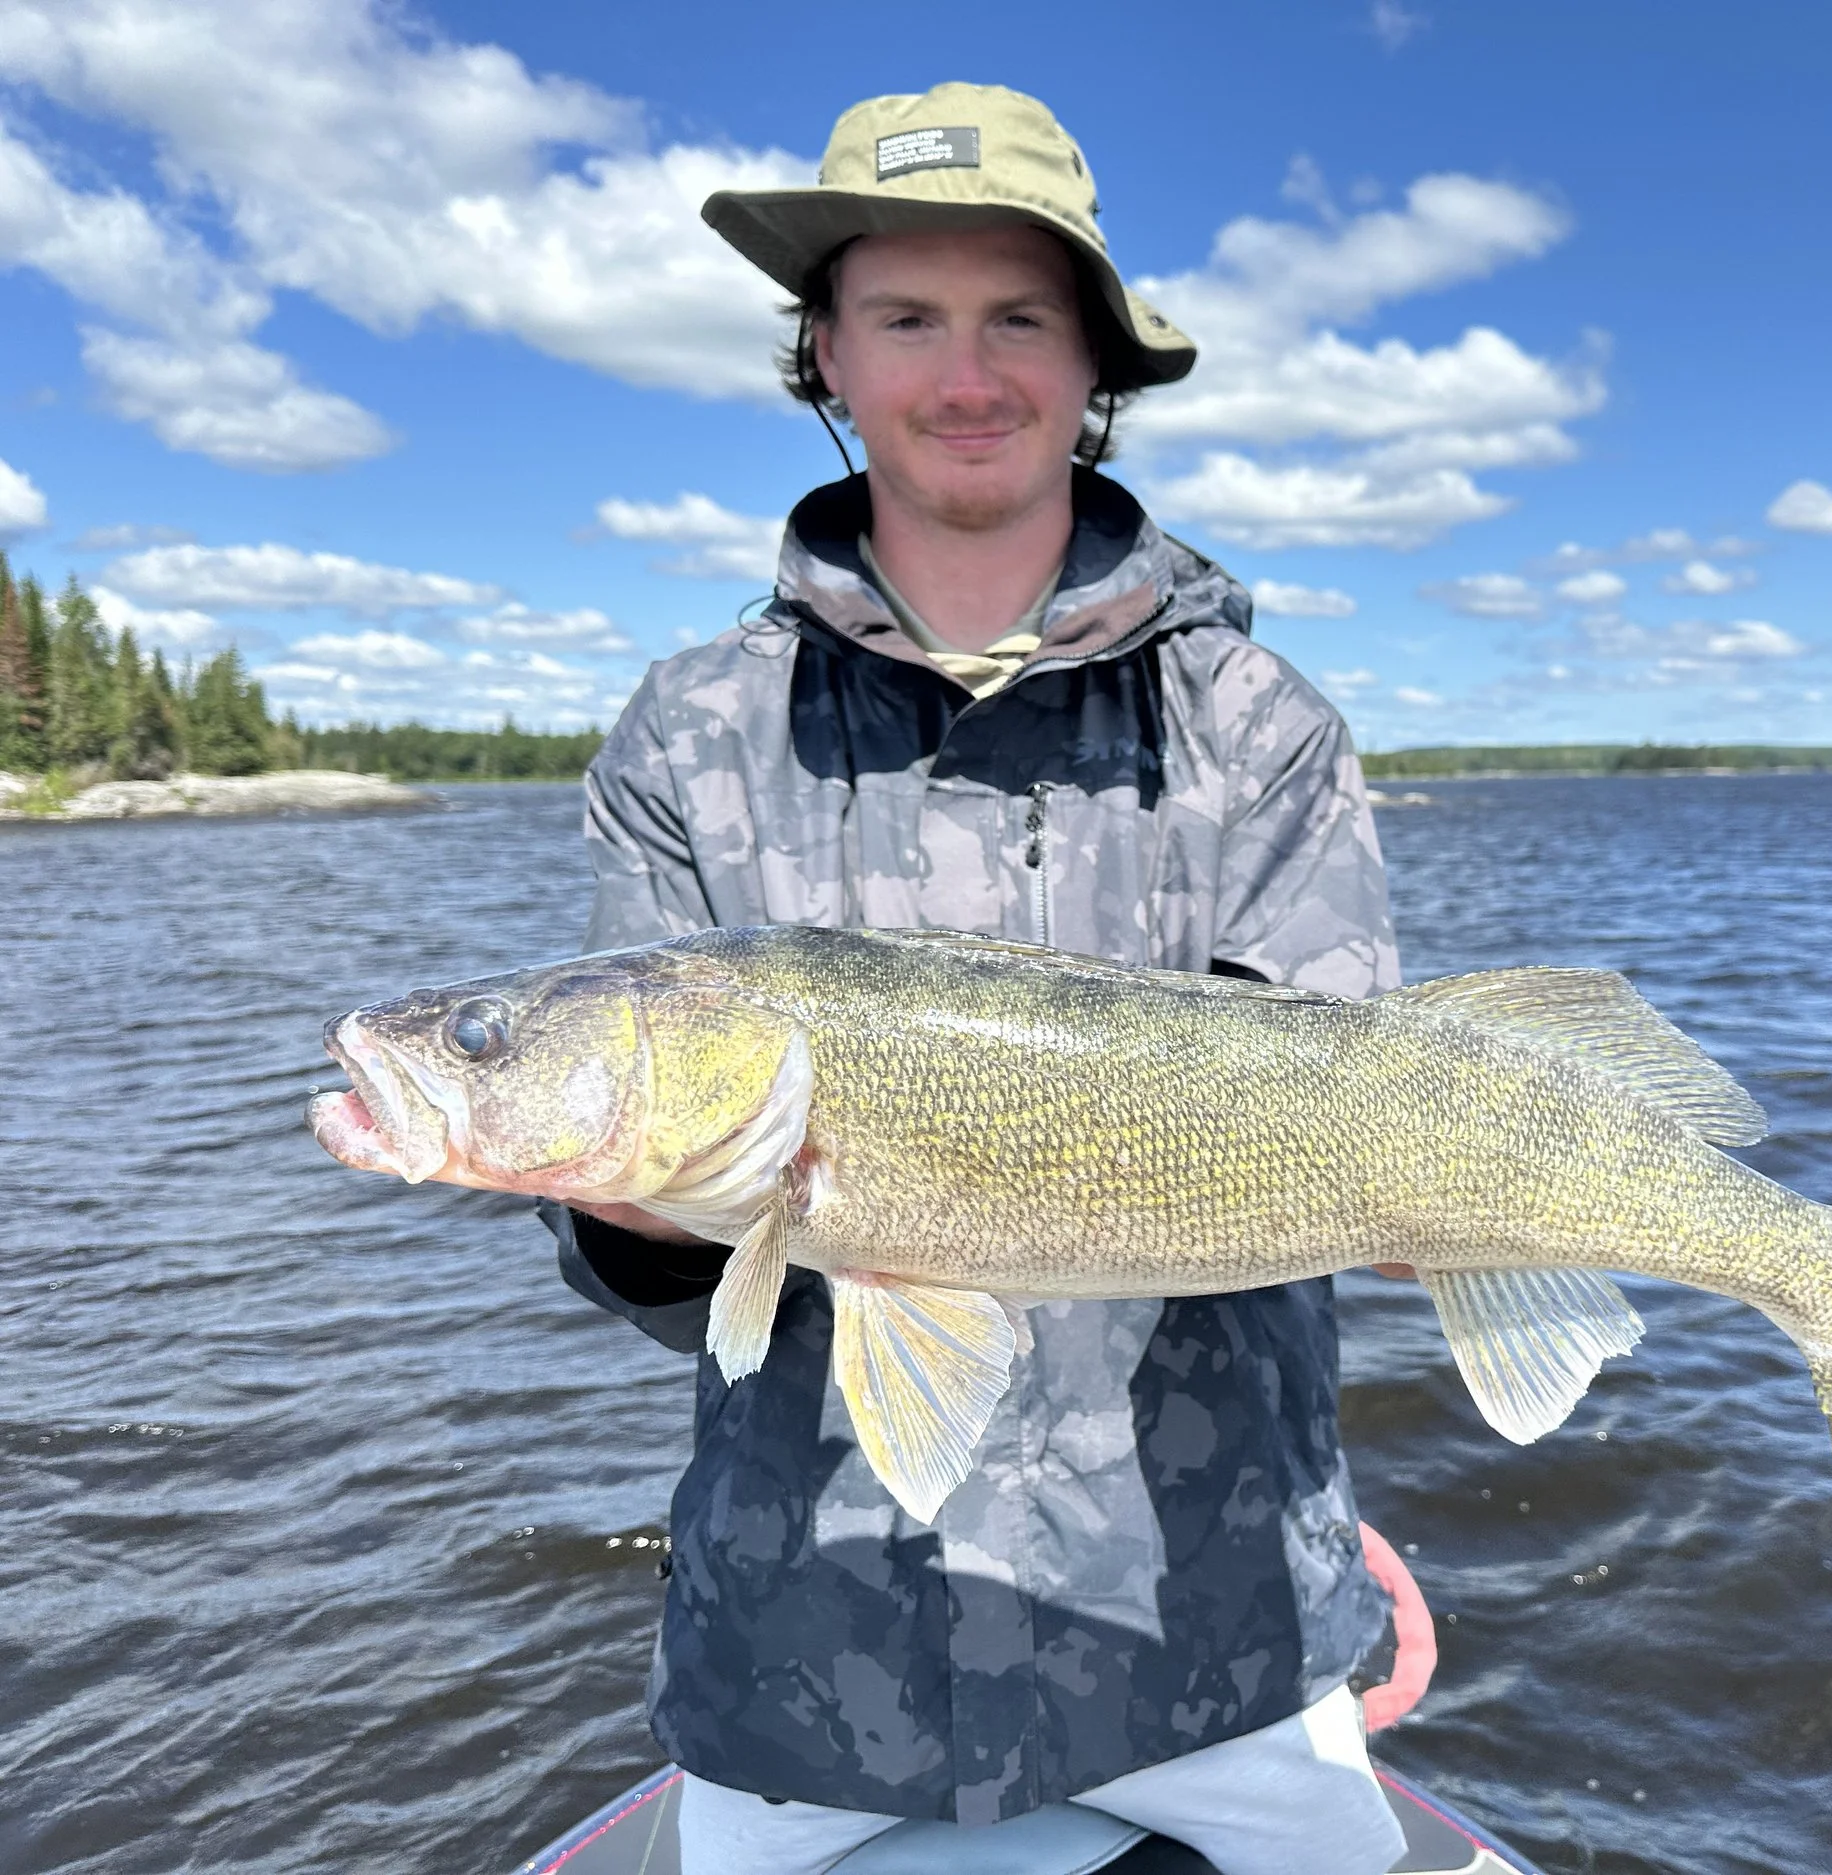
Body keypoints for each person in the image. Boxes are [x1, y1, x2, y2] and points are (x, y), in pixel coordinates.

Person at [541, 83, 1410, 1875]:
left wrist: (1460, 1206)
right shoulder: (686, 735)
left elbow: (1324, 1127)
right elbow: (645, 1283)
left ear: (1093, 360)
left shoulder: (1261, 729)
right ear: (827, 355)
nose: (967, 373)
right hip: (808, 1664)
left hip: (1219, 1641)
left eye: (1020, 316)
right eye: (908, 317)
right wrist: (631, 1207)